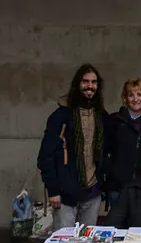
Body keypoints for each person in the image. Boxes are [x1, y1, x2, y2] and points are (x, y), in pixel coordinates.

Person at [36, 64, 110, 230]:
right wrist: (53, 190)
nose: (90, 86)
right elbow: (45, 157)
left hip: (92, 194)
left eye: (94, 82)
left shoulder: (102, 117)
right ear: (77, 84)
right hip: (65, 196)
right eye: (85, 81)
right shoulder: (60, 116)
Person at [105, 78, 141, 207]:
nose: (135, 99)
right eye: (131, 95)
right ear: (125, 98)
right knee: (117, 224)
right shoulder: (114, 121)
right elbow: (104, 151)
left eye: (139, 94)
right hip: (117, 186)